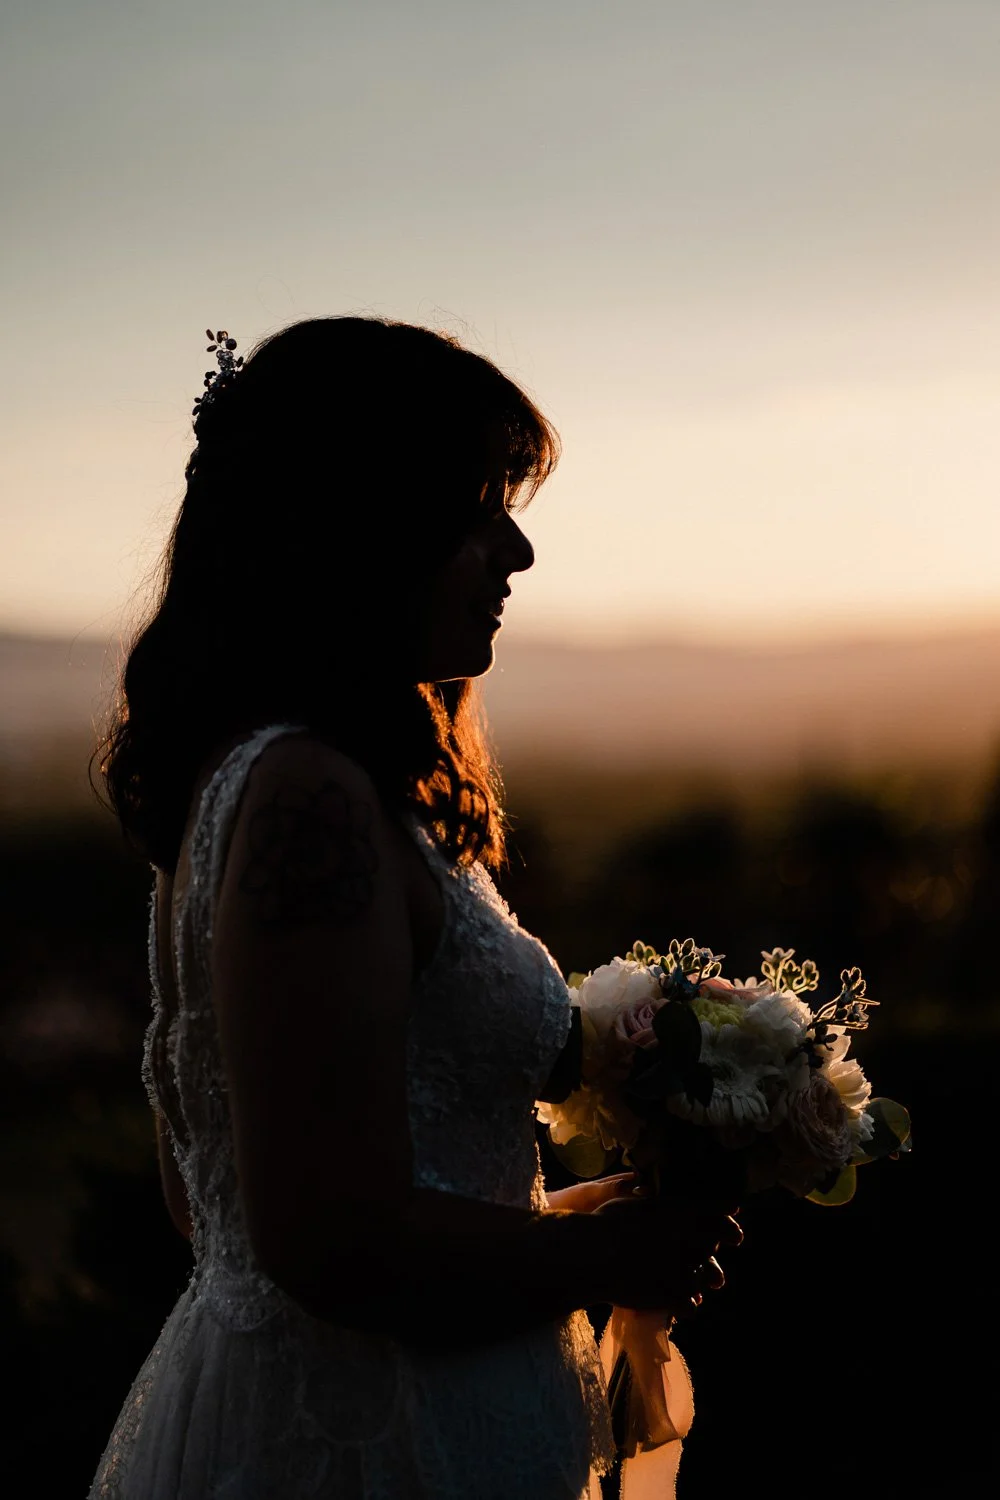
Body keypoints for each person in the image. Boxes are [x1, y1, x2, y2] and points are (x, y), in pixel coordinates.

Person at [89, 316, 738, 1500]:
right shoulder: (307, 801)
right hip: (367, 1446)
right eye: (481, 502)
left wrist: (576, 1213)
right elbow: (323, 1239)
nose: (515, 553)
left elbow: (231, 1198)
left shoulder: (276, 782)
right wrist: (604, 1253)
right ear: (365, 521)